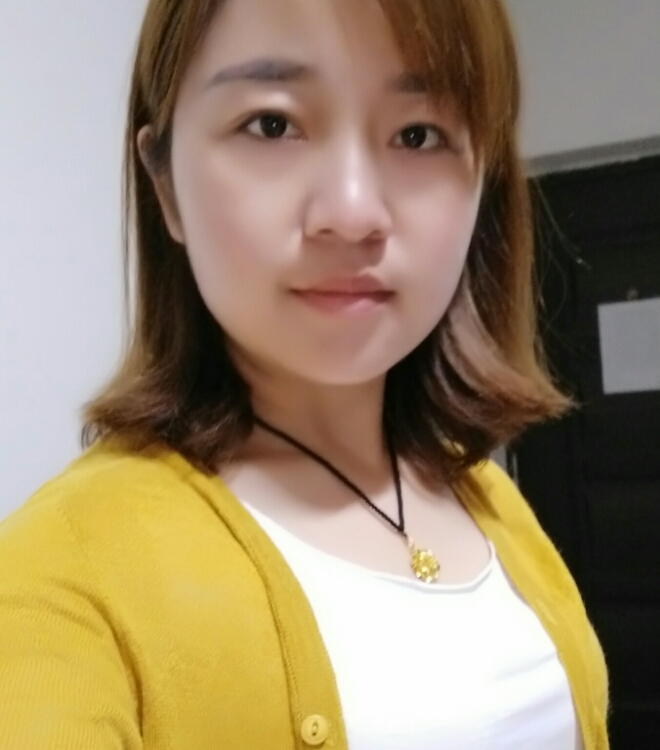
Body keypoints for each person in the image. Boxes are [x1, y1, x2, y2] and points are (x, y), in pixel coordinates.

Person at [0, 0, 609, 748]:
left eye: (418, 135)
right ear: (165, 185)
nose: (352, 213)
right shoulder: (59, 581)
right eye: (272, 125)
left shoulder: (487, 498)